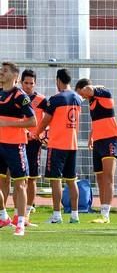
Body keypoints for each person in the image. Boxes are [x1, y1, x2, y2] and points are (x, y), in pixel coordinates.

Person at [33, 68, 82, 225]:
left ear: (58, 80)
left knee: (55, 180)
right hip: (72, 144)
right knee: (71, 180)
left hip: (57, 144)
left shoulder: (56, 99)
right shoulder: (77, 98)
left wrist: (36, 133)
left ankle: (57, 215)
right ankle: (74, 215)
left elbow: (46, 120)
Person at [75, 78, 117, 224]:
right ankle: (103, 212)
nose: (81, 97)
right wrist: (91, 136)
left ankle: (106, 214)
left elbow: (88, 89)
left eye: (80, 93)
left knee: (108, 177)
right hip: (98, 141)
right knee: (100, 178)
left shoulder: (103, 93)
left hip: (110, 139)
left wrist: (84, 90)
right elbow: (96, 121)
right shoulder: (91, 101)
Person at [0, 62, 36, 236]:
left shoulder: (20, 96)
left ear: (14, 76)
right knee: (1, 183)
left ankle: (20, 222)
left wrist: (7, 123)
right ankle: (3, 216)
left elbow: (32, 121)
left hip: (15, 146)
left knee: (20, 184)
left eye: (5, 71)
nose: (1, 72)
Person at [15, 69, 45, 227]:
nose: (28, 86)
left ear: (35, 83)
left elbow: (51, 117)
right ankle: (15, 214)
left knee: (32, 179)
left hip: (34, 143)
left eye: (31, 83)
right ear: (21, 82)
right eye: (26, 83)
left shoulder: (41, 100)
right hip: (17, 141)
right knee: (18, 179)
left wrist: (45, 133)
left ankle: (26, 215)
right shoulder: (16, 97)